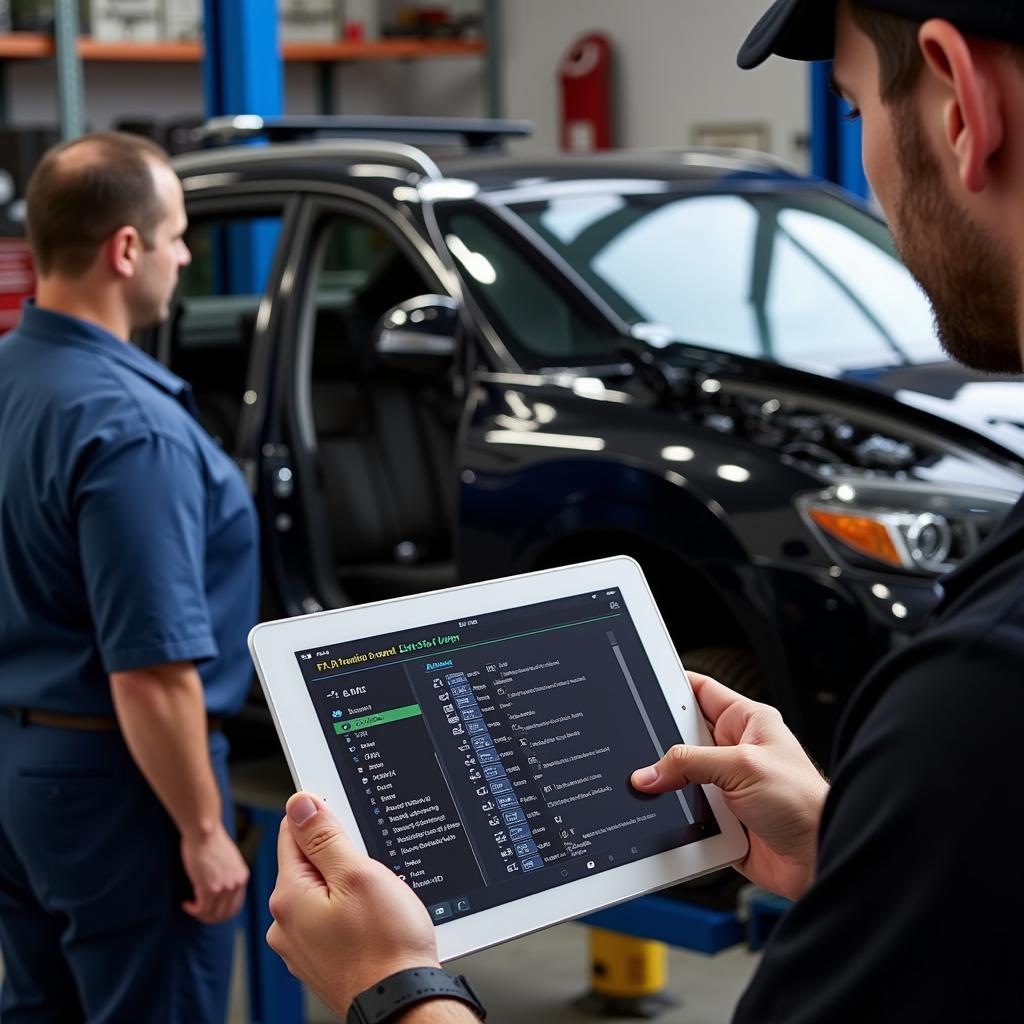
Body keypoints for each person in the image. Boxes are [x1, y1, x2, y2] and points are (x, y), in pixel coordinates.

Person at [266, 2, 1024, 1020]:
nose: (874, 175)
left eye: (850, 110)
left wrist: (394, 989)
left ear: (959, 102)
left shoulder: (980, 702)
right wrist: (859, 840)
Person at [0, 132, 259, 1022]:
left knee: (42, 1006)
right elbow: (150, 667)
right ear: (125, 249)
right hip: (122, 785)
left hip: (21, 768)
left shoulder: (12, 377)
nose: (185, 254)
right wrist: (201, 829)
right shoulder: (129, 427)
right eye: (178, 235)